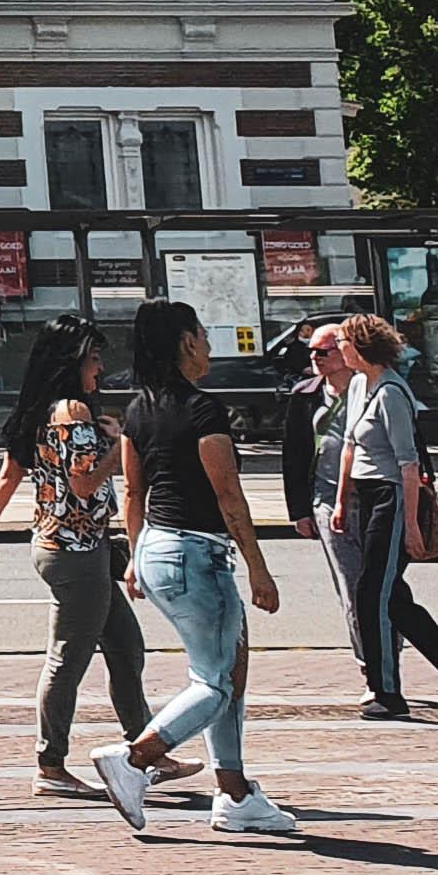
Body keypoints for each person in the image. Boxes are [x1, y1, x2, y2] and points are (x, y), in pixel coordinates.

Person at [94, 299, 300, 838]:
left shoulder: (138, 410)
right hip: (197, 554)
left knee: (227, 674)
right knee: (215, 683)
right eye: (204, 336)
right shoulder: (206, 411)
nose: (209, 345)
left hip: (159, 550)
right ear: (187, 342)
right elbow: (228, 494)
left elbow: (134, 491)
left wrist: (136, 557)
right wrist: (259, 568)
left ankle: (234, 794)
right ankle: (135, 759)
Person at [0, 316, 191, 798]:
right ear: (72, 362)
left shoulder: (43, 409)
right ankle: (50, 765)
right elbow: (85, 482)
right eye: (94, 358)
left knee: (126, 648)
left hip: (70, 548)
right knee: (68, 660)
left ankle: (147, 752)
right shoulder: (70, 411)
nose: (100, 368)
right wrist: (124, 442)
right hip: (75, 553)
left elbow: (9, 474)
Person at [329, 310, 438, 719]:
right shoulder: (359, 385)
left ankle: (387, 693)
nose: (338, 349)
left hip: (392, 497)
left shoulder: (391, 394)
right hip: (366, 497)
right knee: (393, 598)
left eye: (343, 343)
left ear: (361, 347)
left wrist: (412, 526)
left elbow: (408, 465)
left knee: (371, 595)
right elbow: (350, 446)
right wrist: (343, 501)